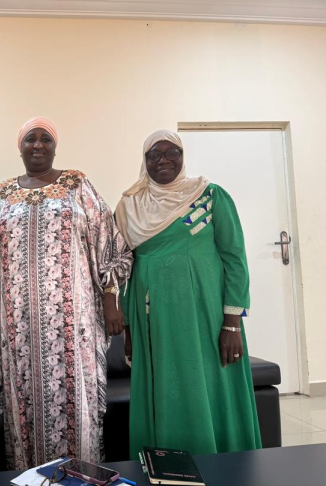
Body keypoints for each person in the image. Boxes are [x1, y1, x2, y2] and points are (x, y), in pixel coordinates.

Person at [0, 117, 133, 470]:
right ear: (20, 147)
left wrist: (111, 299)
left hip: (72, 322)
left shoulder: (77, 184)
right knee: (23, 401)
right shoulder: (2, 193)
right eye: (30, 139)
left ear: (55, 147)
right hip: (18, 324)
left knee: (75, 399)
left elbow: (107, 241)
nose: (38, 145)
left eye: (45, 139)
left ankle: (81, 474)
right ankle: (29, 475)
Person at [115, 129, 262, 460]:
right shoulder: (128, 206)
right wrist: (128, 329)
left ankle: (224, 465)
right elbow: (123, 270)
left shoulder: (209, 196)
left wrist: (232, 324)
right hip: (154, 319)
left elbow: (234, 259)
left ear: (183, 156)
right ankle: (168, 468)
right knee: (166, 387)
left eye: (172, 152)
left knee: (209, 383)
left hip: (206, 316)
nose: (163, 160)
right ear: (144, 160)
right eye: (154, 155)